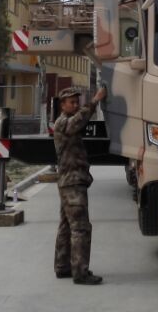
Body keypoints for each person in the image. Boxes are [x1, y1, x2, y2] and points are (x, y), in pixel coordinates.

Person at [53, 84, 107, 285]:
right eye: (72, 103)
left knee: (67, 226)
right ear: (63, 105)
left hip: (69, 182)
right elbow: (79, 121)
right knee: (80, 227)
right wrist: (95, 100)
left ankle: (63, 266)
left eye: (77, 102)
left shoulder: (63, 122)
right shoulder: (63, 123)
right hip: (72, 183)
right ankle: (80, 272)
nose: (76, 105)